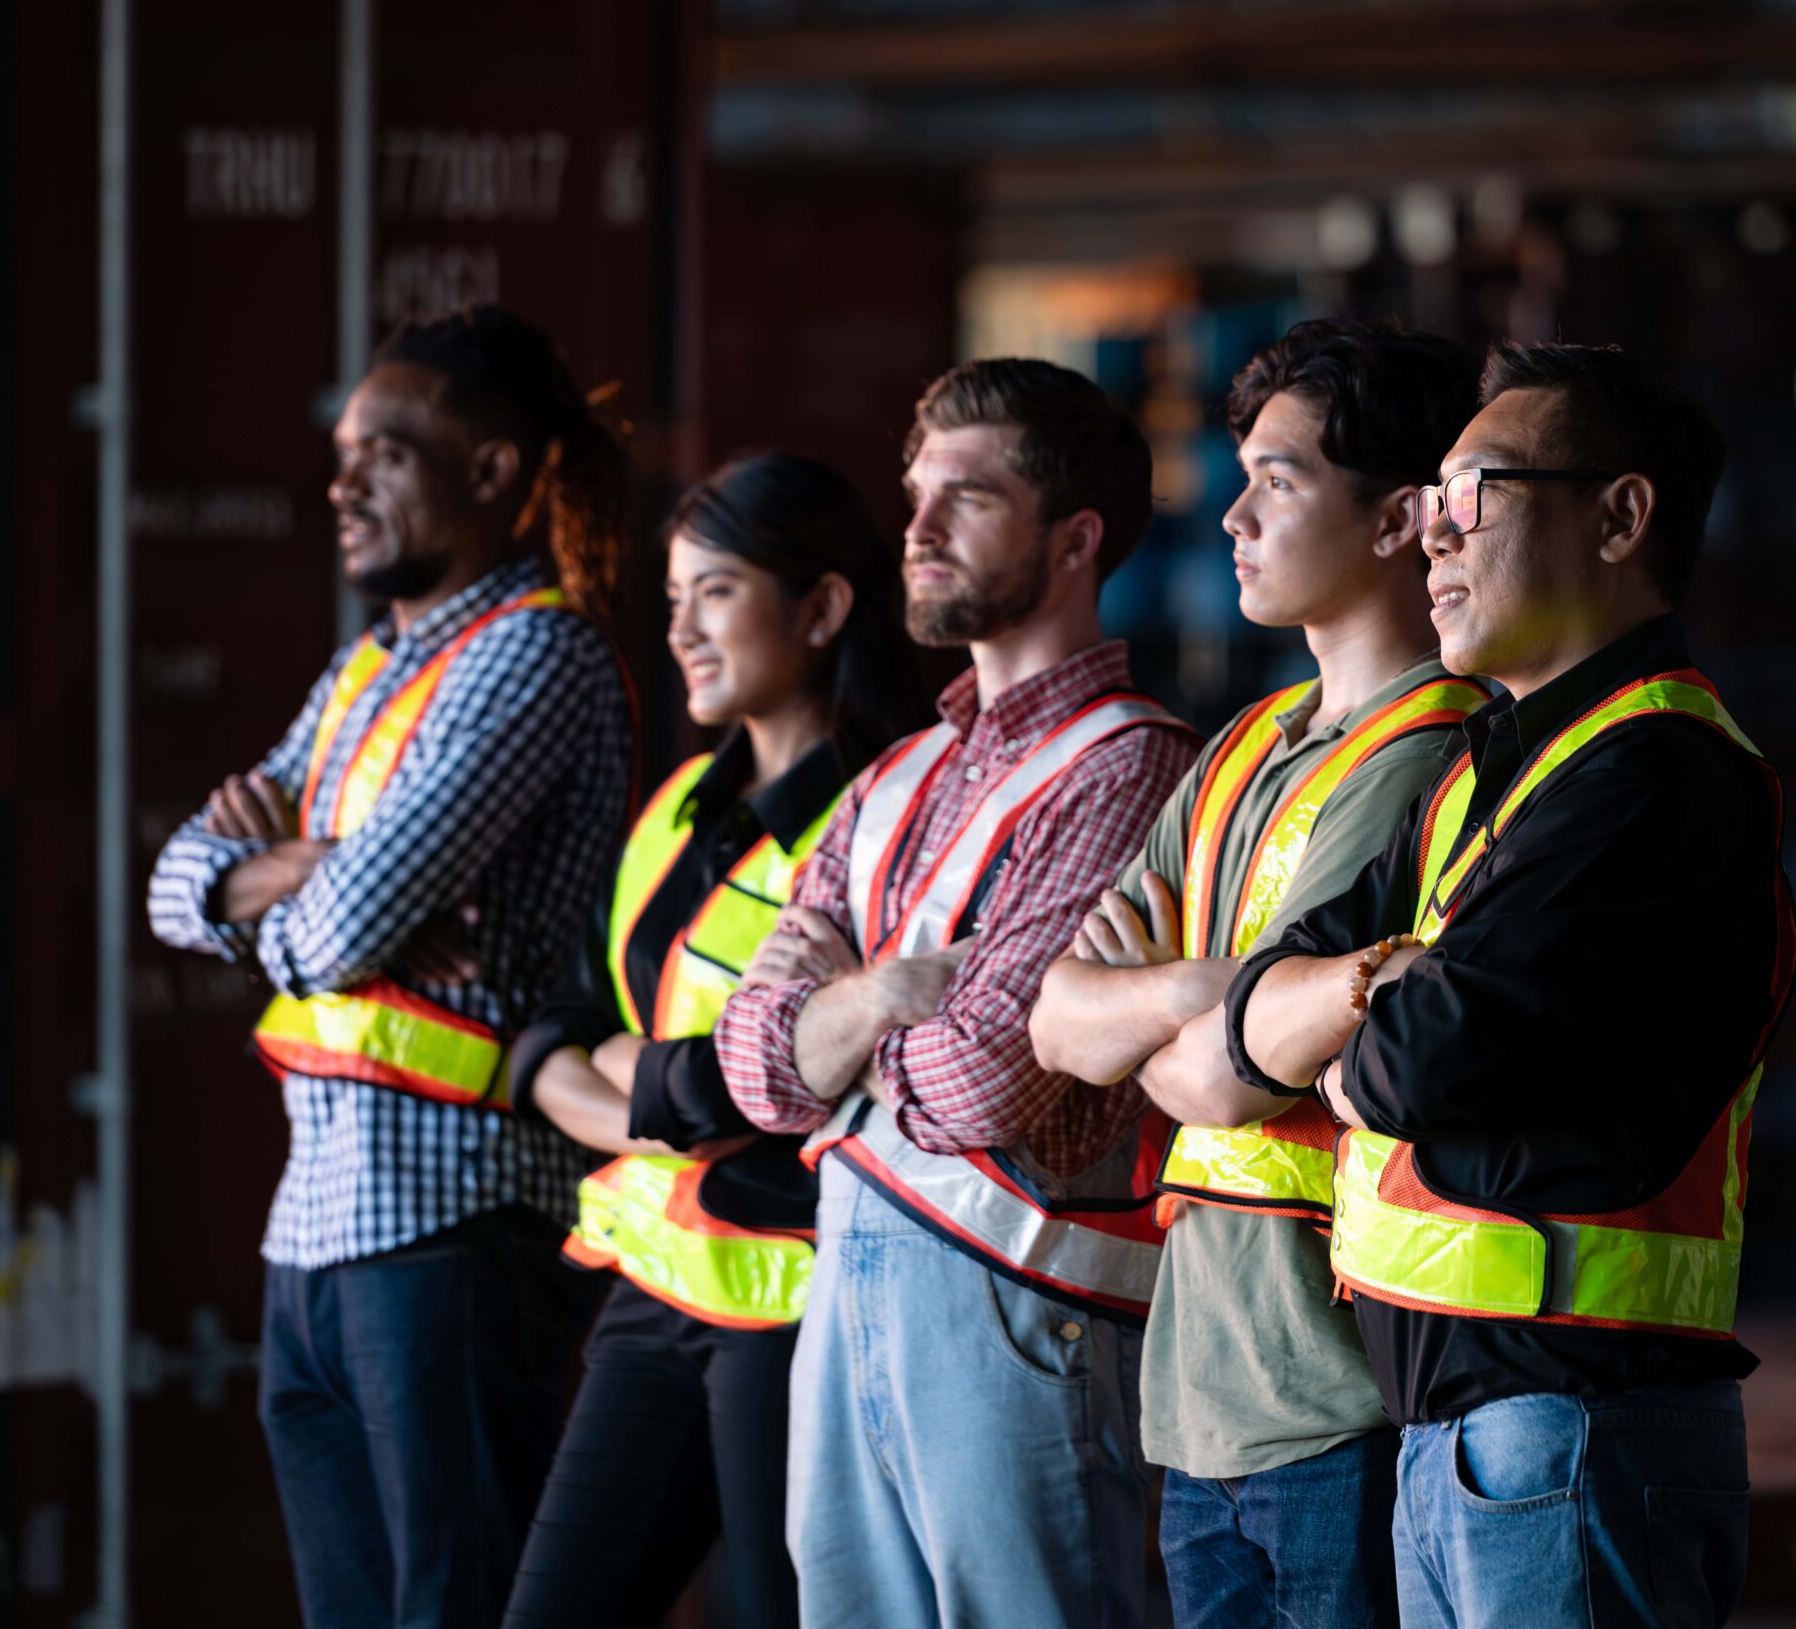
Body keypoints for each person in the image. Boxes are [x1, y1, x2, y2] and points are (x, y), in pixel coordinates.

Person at [1222, 344, 1796, 1629]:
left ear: (1620, 516)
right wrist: (1377, 990)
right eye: (1428, 502)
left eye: (1473, 492)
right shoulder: (1490, 772)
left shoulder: (1656, 775)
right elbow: (1274, 992)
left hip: (1575, 1424)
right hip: (1469, 1436)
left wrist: (1351, 1014)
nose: (1432, 536)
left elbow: (1419, 1059)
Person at [145, 305, 634, 1629]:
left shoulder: (536, 652)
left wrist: (305, 875)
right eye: (342, 451)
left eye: (387, 451)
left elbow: (345, 927)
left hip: (457, 1225)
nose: (341, 480)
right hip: (315, 1235)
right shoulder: (369, 668)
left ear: (489, 470)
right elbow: (170, 885)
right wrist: (301, 871)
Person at [715, 359, 1198, 1629]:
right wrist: (887, 996)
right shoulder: (895, 776)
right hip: (856, 1272)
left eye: (966, 500)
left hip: (1019, 1302)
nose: (916, 530)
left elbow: (993, 1078)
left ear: (1075, 539)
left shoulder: (1126, 766)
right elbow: (753, 1068)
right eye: (916, 495)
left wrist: (839, 1023)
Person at [1031, 319, 1484, 1628]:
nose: (1232, 517)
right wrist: (1213, 991)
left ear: (1401, 518)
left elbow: (1226, 1090)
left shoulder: (1427, 751)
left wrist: (1177, 1012)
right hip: (1203, 1394)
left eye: (1277, 480)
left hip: (1336, 1391)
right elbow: (1058, 1017)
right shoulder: (1246, 744)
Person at [495, 452, 929, 1628]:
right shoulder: (684, 802)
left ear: (824, 607)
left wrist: (638, 1086)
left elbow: (783, 1081)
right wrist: (651, 1089)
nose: (680, 627)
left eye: (716, 593)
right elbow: (556, 1029)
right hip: (651, 1292)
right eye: (674, 595)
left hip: (795, 1305)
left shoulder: (878, 820)